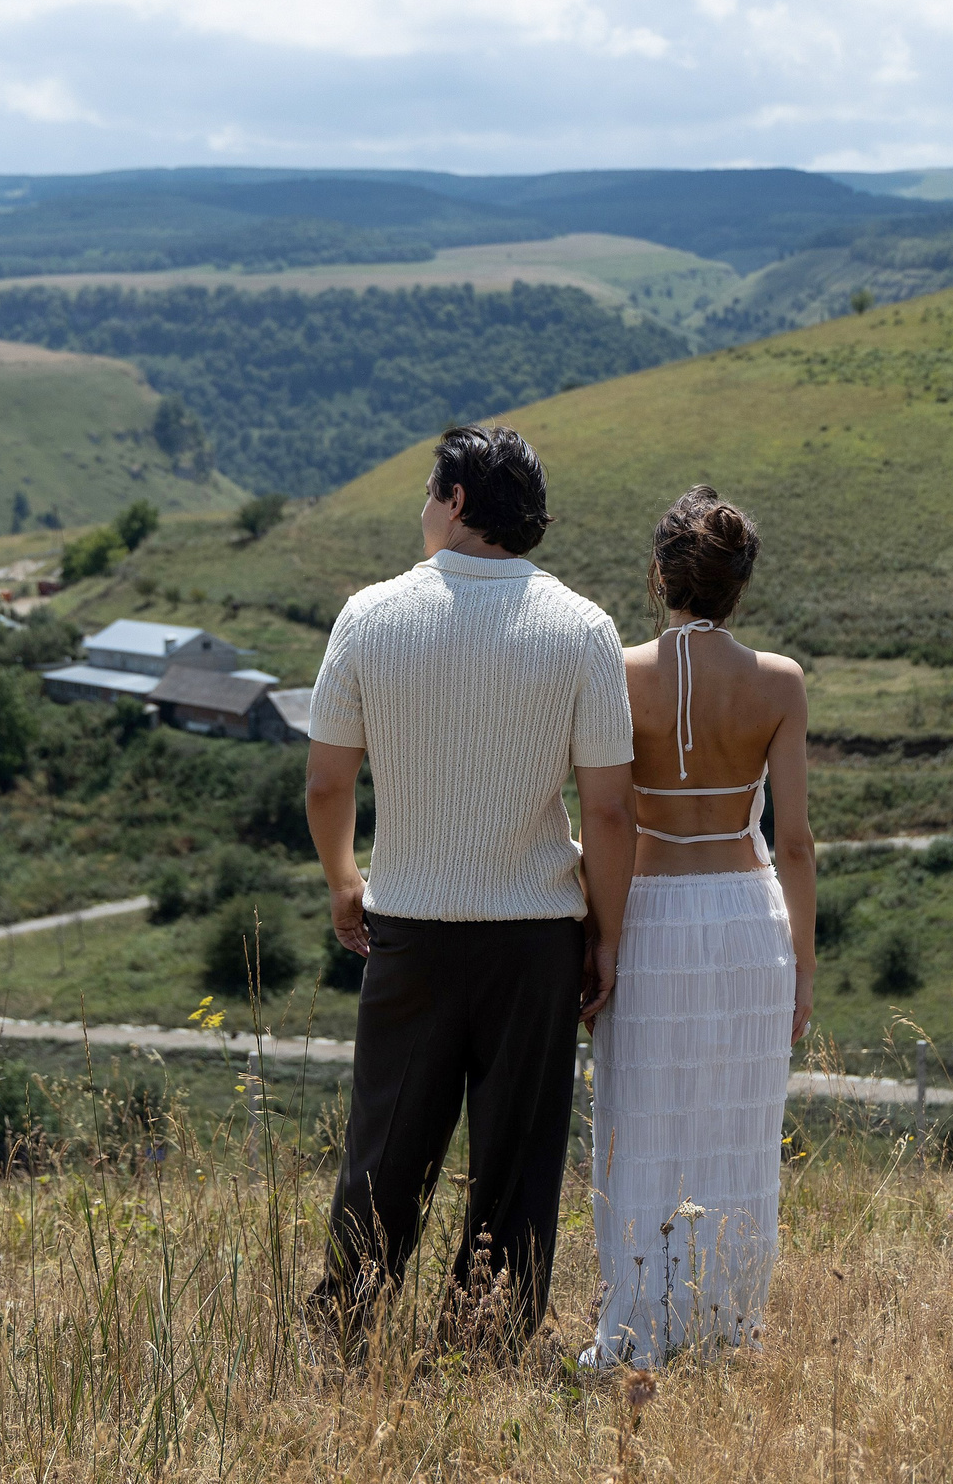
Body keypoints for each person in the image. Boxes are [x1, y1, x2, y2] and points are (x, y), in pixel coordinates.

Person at [304, 424, 637, 1349]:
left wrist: (342, 879)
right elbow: (609, 811)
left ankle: (349, 1326)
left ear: (454, 502)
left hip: (407, 922)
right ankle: (486, 1338)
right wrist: (604, 935)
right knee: (517, 1154)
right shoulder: (584, 629)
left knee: (386, 1145)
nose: (422, 509)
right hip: (536, 936)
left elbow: (329, 780)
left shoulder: (369, 617)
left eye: (426, 493)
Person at [586, 485, 813, 1367]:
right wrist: (804, 957)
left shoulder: (614, 669)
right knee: (737, 1126)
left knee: (639, 1122)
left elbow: (604, 815)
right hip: (746, 917)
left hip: (646, 916)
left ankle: (638, 1326)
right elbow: (791, 838)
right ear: (740, 584)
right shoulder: (780, 682)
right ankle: (724, 1325)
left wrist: (599, 934)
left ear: (659, 574)